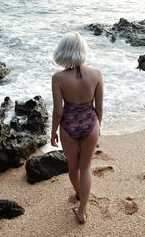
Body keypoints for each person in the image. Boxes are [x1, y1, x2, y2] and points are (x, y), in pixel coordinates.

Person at [50, 32, 103, 224]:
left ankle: (78, 192)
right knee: (86, 167)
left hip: (69, 125)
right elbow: (99, 107)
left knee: (73, 166)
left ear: (62, 51)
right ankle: (82, 211)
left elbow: (58, 111)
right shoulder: (96, 73)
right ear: (83, 50)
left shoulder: (58, 78)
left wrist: (53, 131)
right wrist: (98, 126)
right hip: (90, 122)